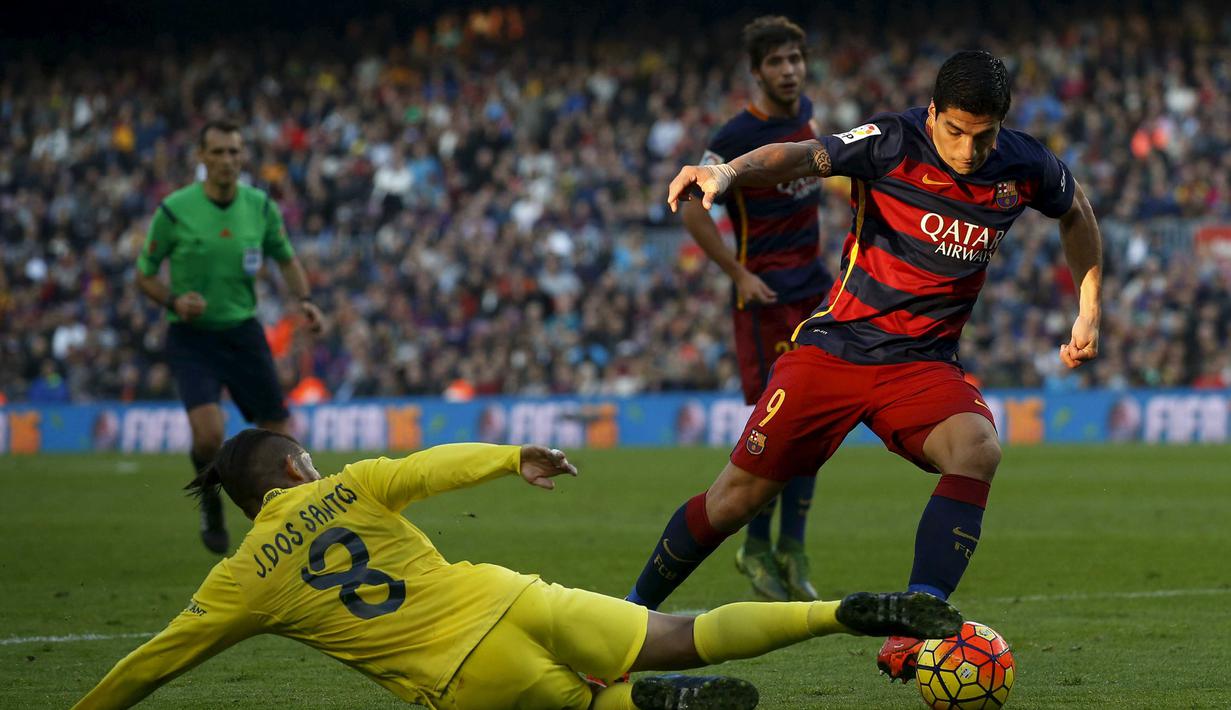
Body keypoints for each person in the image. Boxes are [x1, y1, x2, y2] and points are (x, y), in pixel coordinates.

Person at [627, 50, 1102, 683]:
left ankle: (918, 620)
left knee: (977, 449)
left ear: (1001, 125)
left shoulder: (1026, 164)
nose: (968, 151)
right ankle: (624, 618)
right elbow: (801, 156)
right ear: (932, 114)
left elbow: (1077, 212)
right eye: (955, 131)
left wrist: (1088, 311)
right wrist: (727, 172)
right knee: (735, 500)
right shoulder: (891, 141)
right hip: (836, 351)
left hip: (922, 366)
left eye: (983, 136)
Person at [73, 430, 964, 710]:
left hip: (464, 679)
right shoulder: (351, 485)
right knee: (678, 633)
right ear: (293, 469)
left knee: (591, 707)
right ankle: (837, 613)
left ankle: (647, 706)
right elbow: (433, 466)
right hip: (506, 595)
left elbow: (153, 663)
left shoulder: (239, 581)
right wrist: (511, 458)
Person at [682, 16, 831, 603]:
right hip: (765, 299)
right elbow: (691, 206)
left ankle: (792, 546)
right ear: (756, 71)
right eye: (776, 62)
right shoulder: (735, 136)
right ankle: (757, 546)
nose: (789, 70)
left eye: (795, 58)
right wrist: (738, 273)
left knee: (817, 420)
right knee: (779, 427)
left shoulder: (806, 116)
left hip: (815, 292)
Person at [135, 119, 325, 554]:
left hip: (243, 333)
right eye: (218, 152)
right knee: (208, 435)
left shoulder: (260, 207)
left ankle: (293, 522)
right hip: (192, 338)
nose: (227, 160)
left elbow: (286, 259)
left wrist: (305, 300)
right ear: (201, 157)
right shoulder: (174, 211)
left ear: (243, 157)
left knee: (279, 435)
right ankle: (210, 501)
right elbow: (144, 275)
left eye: (234, 152)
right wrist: (173, 300)